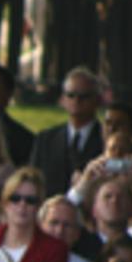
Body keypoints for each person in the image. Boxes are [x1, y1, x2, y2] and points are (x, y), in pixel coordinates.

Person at [29, 67, 104, 198]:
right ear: (62, 99)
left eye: (84, 96)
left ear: (97, 100)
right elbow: (33, 181)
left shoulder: (107, 140)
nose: (77, 101)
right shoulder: (45, 139)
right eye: (71, 95)